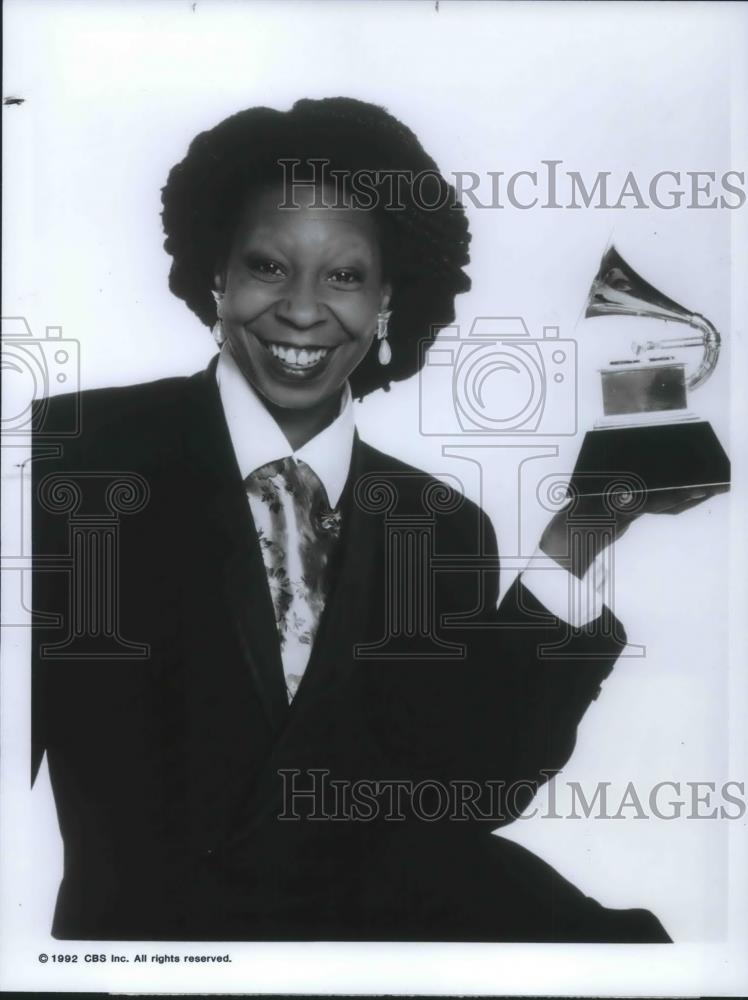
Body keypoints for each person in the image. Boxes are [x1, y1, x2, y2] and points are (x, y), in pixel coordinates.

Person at [31, 96, 711, 942]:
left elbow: (469, 791)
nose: (305, 309)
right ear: (217, 276)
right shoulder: (66, 456)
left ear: (389, 299)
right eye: (267, 267)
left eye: (346, 276)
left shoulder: (441, 524)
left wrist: (585, 532)